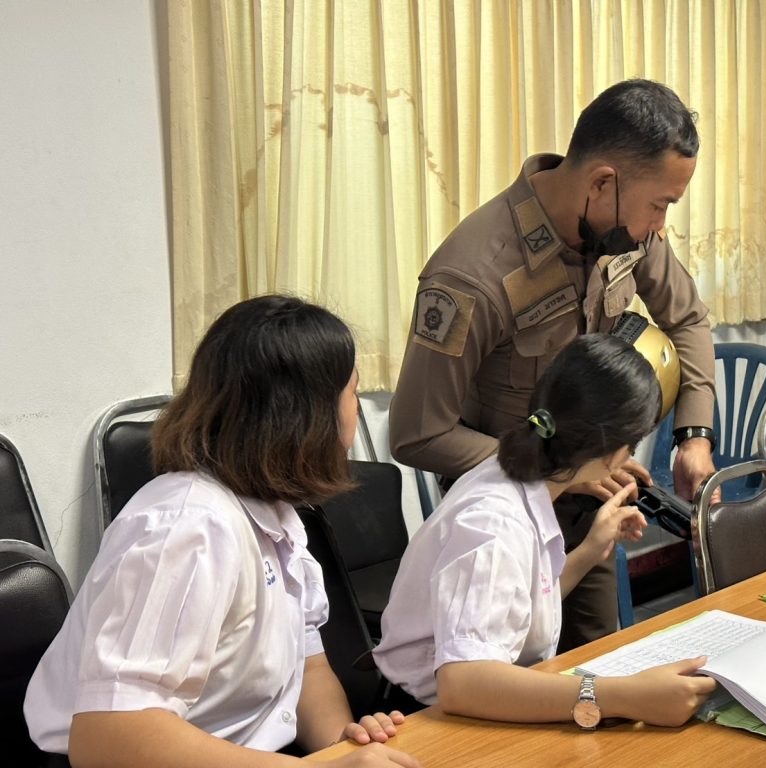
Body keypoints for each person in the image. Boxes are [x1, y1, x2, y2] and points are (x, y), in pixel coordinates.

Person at [389, 79, 717, 650]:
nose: (661, 226)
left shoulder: (623, 231)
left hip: (589, 505)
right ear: (602, 183)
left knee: (596, 656)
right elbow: (418, 433)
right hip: (499, 519)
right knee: (505, 670)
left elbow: (687, 319)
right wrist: (560, 468)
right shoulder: (475, 275)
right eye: (660, 205)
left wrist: (694, 436)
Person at [24, 296, 420, 768]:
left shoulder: (276, 516)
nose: (355, 410)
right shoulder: (188, 528)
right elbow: (110, 736)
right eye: (352, 393)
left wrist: (343, 743)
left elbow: (308, 670)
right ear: (310, 416)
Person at [374, 334, 718, 726]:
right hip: (428, 721)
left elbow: (520, 607)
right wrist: (625, 696)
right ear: (616, 453)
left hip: (467, 706)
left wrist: (589, 551)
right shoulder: (495, 524)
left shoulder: (515, 476)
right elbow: (463, 683)